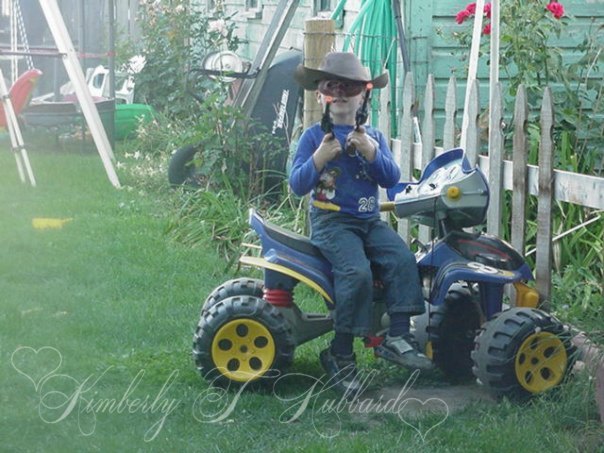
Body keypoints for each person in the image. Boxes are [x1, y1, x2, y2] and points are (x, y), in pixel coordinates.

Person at [289, 52, 432, 396]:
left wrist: (370, 151)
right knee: (356, 273)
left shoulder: (374, 137)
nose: (340, 93)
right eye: (332, 86)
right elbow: (296, 184)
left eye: (349, 88)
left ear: (364, 94)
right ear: (322, 93)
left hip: (368, 221)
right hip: (331, 223)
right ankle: (340, 352)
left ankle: (397, 334)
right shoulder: (313, 138)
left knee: (401, 258)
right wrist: (319, 158)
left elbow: (391, 177)